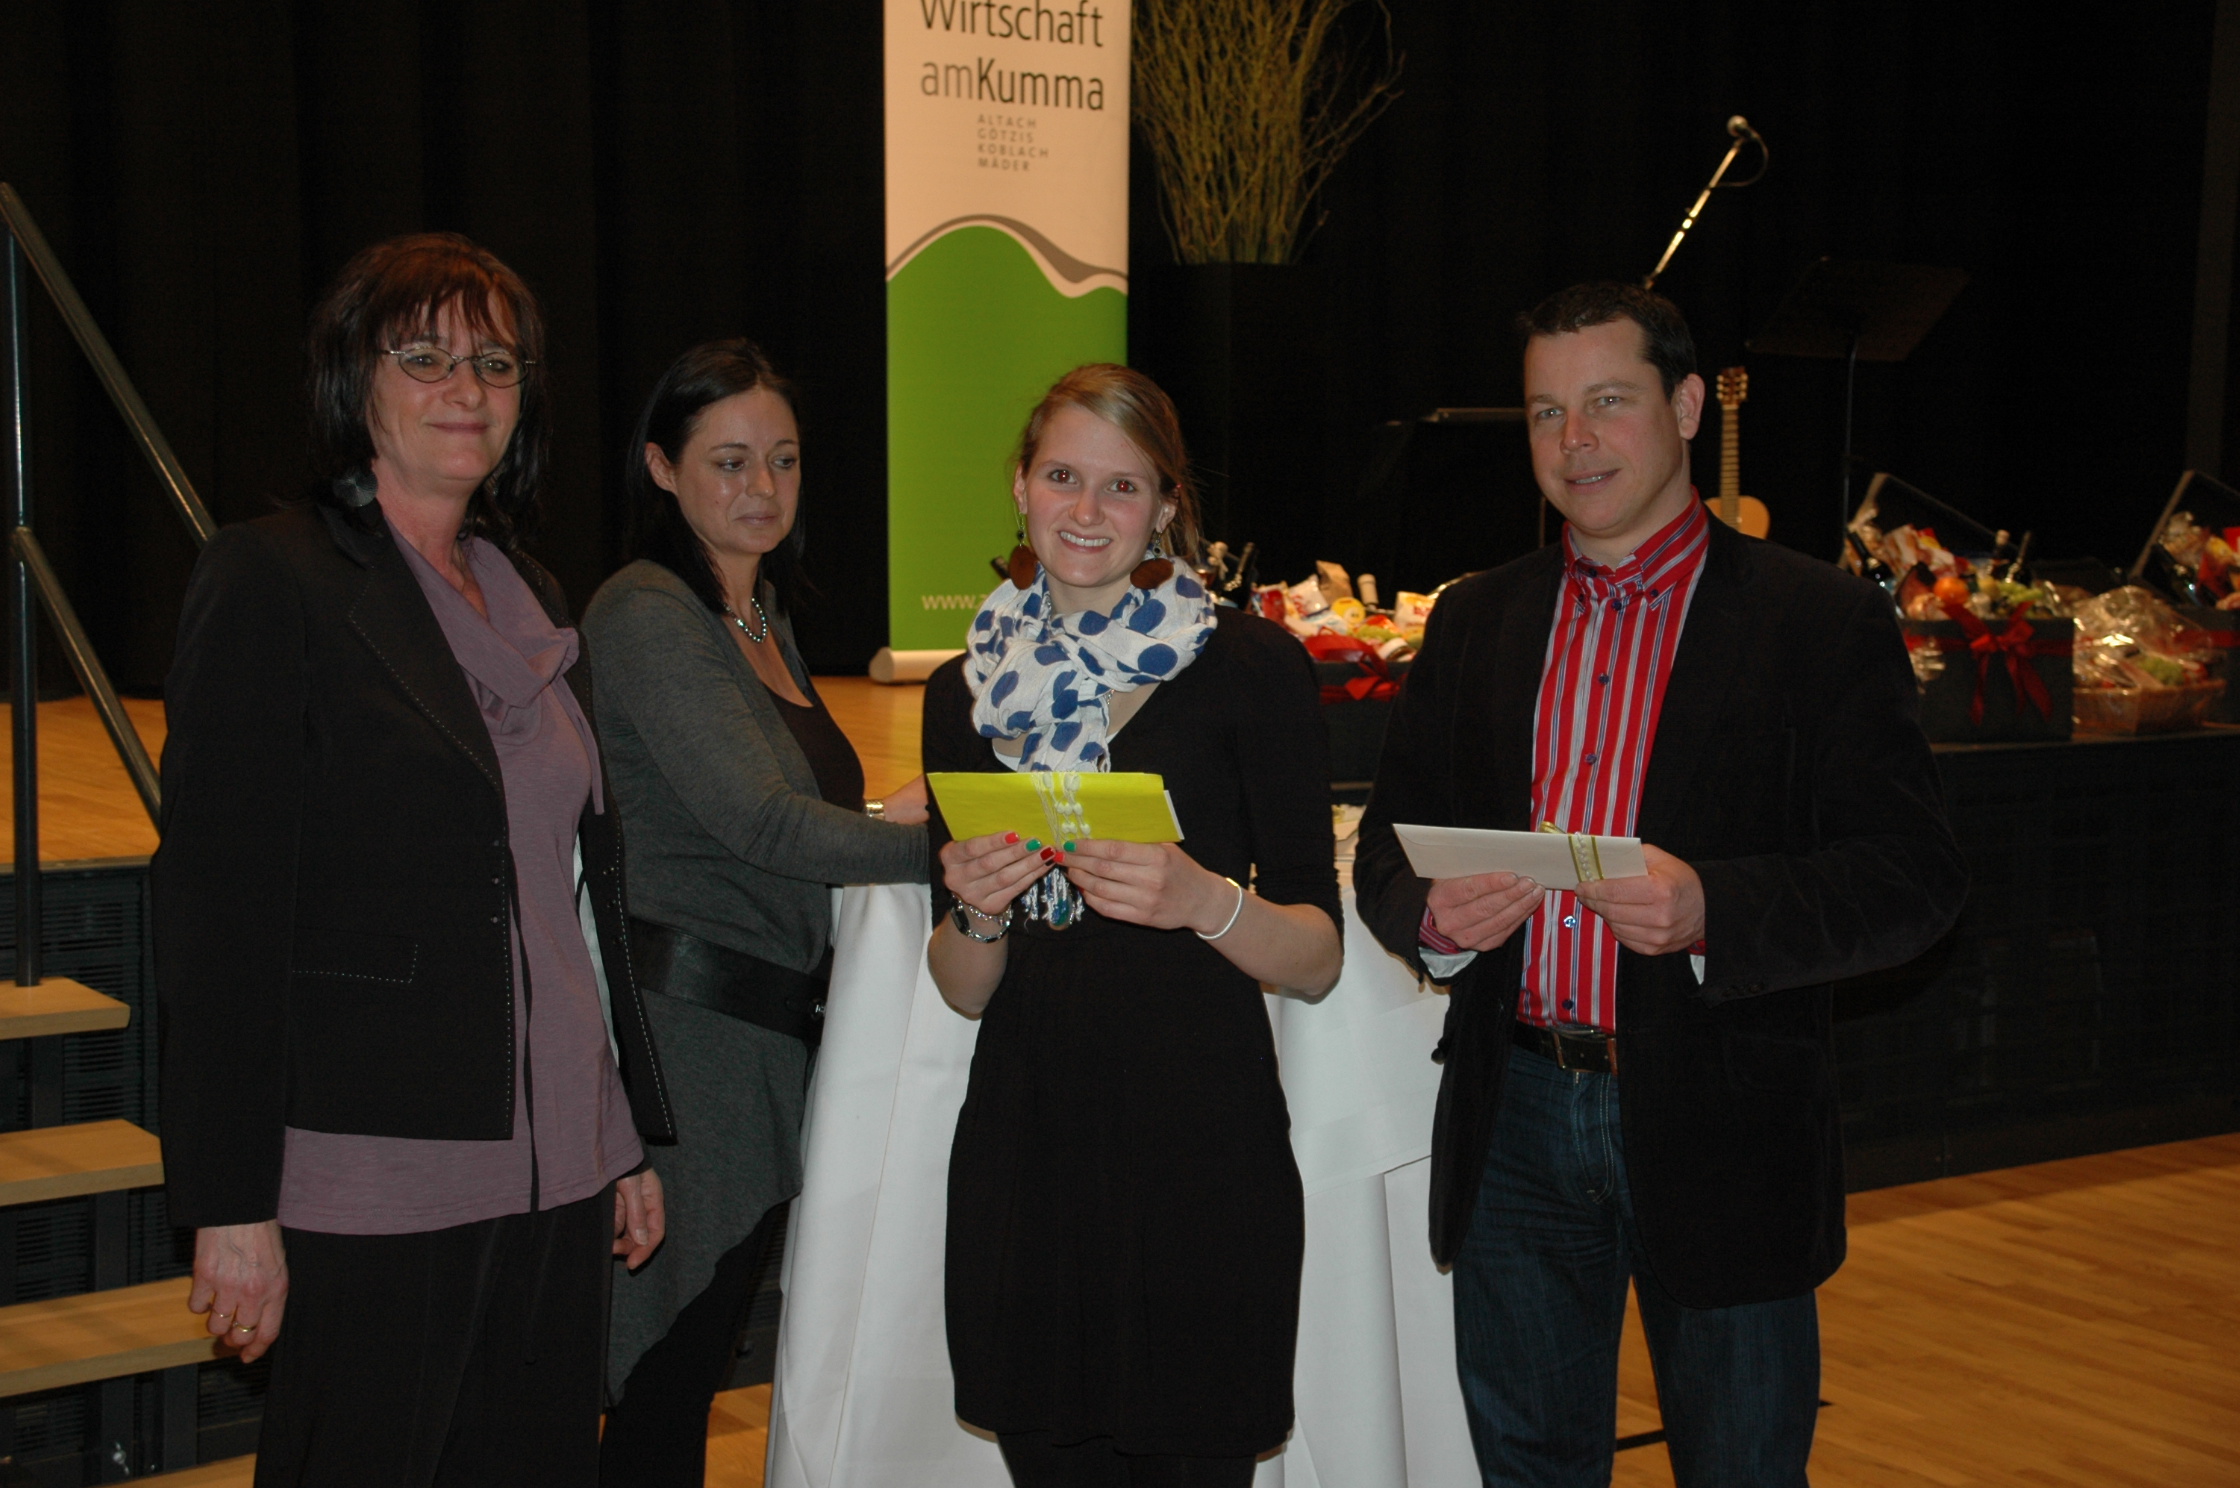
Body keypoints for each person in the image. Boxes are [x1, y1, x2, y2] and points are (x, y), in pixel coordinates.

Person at [1353, 282, 1969, 1487]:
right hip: (1513, 1112)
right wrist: (1426, 914)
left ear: (1686, 407)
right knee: (1527, 1468)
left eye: (1607, 402)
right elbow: (1385, 845)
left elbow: (1912, 880)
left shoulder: (1816, 620)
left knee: (1739, 1465)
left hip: (1722, 1121)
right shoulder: (1475, 619)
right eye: (1545, 412)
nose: (1573, 440)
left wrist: (1712, 912)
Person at [153, 232, 673, 1487]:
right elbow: (218, 918)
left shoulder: (527, 588)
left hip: (558, 1165)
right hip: (376, 1171)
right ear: (355, 379)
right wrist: (230, 1202)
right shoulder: (273, 577)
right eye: (425, 356)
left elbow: (568, 899)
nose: (465, 388)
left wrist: (616, 1135)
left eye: (494, 363)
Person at [923, 363, 1345, 1488]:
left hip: (1197, 1152)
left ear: (1165, 506)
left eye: (1122, 486)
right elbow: (962, 985)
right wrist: (975, 906)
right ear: (1019, 486)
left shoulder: (1251, 667)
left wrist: (1200, 900)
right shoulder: (963, 692)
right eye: (1062, 476)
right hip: (1027, 1148)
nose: (1086, 510)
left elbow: (1317, 958)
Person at [584, 338, 932, 1485]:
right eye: (728, 461)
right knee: (661, 1386)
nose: (763, 488)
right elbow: (764, 826)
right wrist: (953, 850)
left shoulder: (758, 612)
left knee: (691, 1373)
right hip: (692, 1049)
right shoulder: (645, 611)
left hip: (764, 1041)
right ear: (660, 467)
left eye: (781, 459)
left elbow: (794, 815)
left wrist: (895, 816)